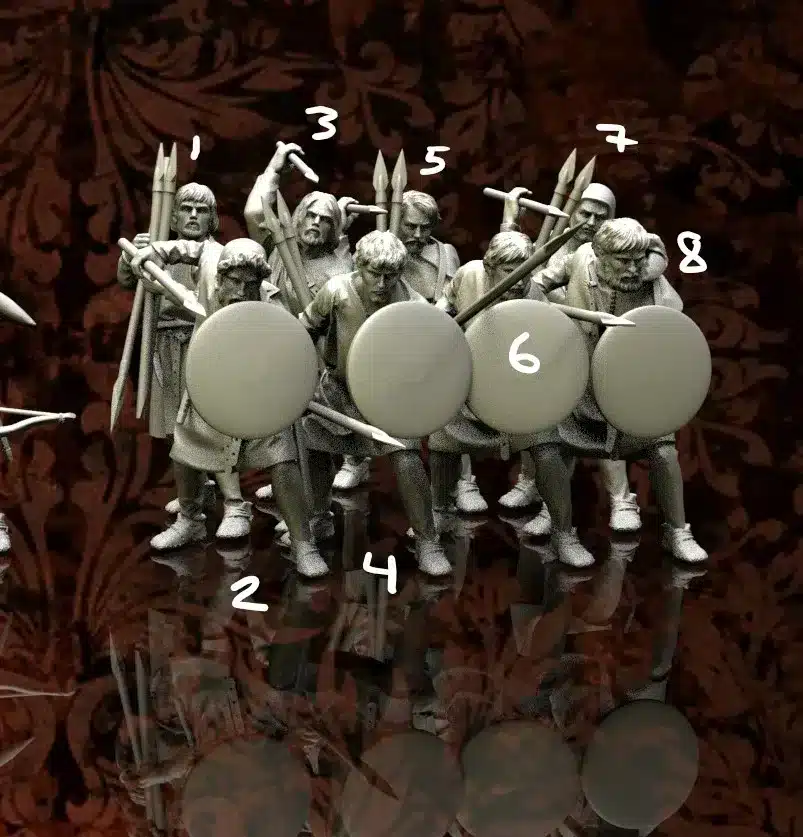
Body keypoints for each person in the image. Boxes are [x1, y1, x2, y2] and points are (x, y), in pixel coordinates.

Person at [129, 238, 328, 577]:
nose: (241, 291)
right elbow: (193, 249)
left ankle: (303, 543)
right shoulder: (210, 268)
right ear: (221, 277)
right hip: (210, 389)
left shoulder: (273, 304)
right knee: (186, 453)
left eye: (250, 284)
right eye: (234, 281)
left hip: (260, 398)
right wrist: (158, 251)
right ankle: (190, 520)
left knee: (282, 461)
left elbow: (294, 352)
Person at [527, 218, 708, 567]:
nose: (633, 269)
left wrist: (654, 272)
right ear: (600, 255)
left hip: (630, 391)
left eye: (638, 260)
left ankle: (677, 531)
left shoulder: (650, 280)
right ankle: (556, 520)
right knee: (550, 446)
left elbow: (674, 322)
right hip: (578, 385)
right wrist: (558, 309)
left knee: (663, 449)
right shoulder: (579, 259)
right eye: (623, 261)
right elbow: (535, 286)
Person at [298, 230, 451, 577]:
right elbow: (304, 329)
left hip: (389, 398)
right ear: (359, 265)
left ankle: (427, 540)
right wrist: (302, 377)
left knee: (407, 457)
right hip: (338, 392)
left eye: (390, 275)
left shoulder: (412, 304)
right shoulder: (336, 291)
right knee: (313, 443)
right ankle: (319, 517)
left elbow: (432, 351)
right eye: (374, 273)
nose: (382, 284)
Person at [497, 183, 643, 539]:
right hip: (557, 350)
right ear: (573, 211)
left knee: (607, 425)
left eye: (600, 216)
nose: (590, 222)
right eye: (585, 213)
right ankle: (540, 492)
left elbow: (651, 264)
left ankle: (622, 500)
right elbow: (527, 281)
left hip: (606, 354)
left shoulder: (625, 254)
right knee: (550, 425)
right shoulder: (559, 248)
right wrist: (510, 222)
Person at [244, 143, 355, 500]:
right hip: (275, 353)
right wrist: (274, 170)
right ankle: (289, 491)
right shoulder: (279, 248)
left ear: (333, 229)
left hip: (315, 360)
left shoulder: (339, 270)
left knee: (313, 434)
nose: (316, 223)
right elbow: (255, 212)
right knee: (277, 428)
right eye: (311, 216)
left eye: (325, 220)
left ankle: (312, 503)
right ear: (299, 217)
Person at [431, 231, 558, 527]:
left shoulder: (533, 295)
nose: (521, 280)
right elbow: (446, 302)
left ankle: (550, 511)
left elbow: (545, 344)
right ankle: (442, 508)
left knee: (548, 441)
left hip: (516, 388)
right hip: (469, 382)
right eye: (510, 271)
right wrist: (438, 321)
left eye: (526, 271)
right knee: (440, 438)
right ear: (490, 267)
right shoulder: (469, 274)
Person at [118, 183, 223, 518]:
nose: (193, 215)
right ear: (174, 215)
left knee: (208, 424)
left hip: (201, 345)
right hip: (163, 344)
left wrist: (166, 288)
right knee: (169, 424)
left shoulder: (217, 255)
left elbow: (209, 304)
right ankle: (195, 488)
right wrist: (130, 257)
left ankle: (231, 501)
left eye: (201, 210)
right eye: (186, 209)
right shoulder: (158, 250)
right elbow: (126, 281)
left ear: (212, 219)